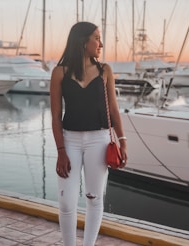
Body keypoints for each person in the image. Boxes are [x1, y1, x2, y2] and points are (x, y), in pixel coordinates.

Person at [50, 21, 127, 246]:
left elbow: (113, 110)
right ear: (83, 42)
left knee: (94, 198)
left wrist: (123, 142)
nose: (100, 43)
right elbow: (55, 116)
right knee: (66, 203)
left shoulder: (105, 71)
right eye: (96, 38)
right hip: (69, 141)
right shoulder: (59, 73)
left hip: (99, 140)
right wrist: (60, 151)